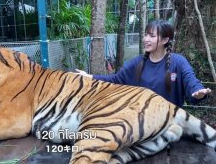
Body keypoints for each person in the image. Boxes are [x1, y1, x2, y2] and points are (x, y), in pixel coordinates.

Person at [76, 19, 211, 107]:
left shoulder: (178, 62)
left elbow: (191, 81)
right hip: (143, 123)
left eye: (152, 36)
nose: (146, 39)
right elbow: (115, 79)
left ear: (165, 40)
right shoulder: (137, 63)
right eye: (146, 35)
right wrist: (90, 77)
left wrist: (198, 92)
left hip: (170, 124)